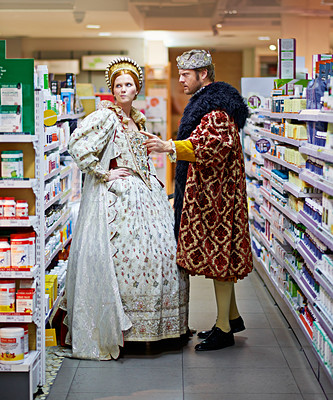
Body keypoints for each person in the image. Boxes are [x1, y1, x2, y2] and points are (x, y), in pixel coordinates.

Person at [63, 57, 189, 360]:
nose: (123, 89)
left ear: (137, 89)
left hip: (146, 193)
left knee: (161, 254)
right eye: (118, 85)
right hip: (121, 195)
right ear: (112, 89)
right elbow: (77, 144)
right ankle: (125, 328)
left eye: (128, 84)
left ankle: (157, 326)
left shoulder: (138, 118)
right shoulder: (106, 117)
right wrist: (103, 172)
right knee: (128, 255)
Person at [143, 49, 253, 351]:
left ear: (203, 74)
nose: (179, 80)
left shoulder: (216, 112)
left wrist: (168, 146)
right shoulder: (212, 106)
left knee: (220, 259)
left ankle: (224, 328)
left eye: (185, 75)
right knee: (221, 259)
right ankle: (230, 317)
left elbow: (207, 146)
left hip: (217, 199)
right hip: (214, 195)